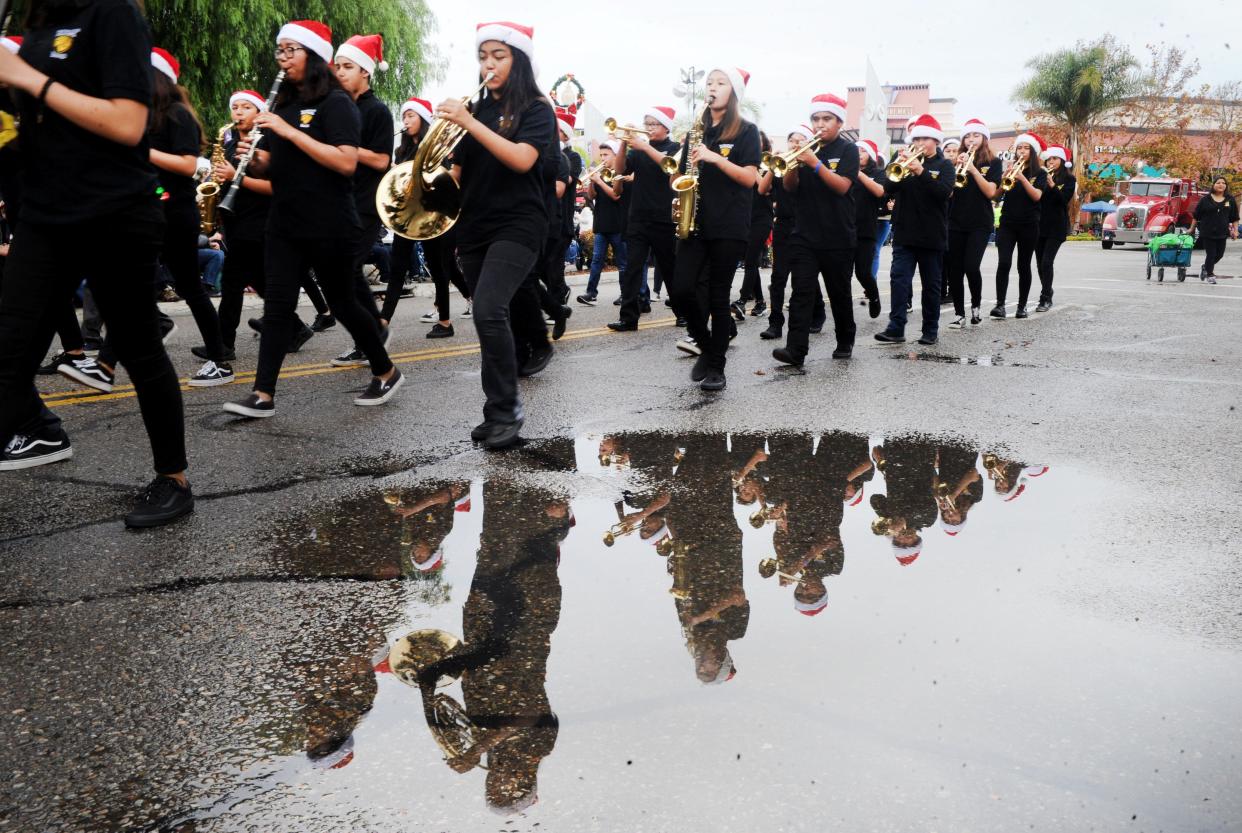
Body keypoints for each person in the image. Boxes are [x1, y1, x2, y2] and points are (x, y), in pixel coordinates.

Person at [0, 0, 194, 526]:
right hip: (46, 213)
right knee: (9, 345)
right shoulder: (37, 21)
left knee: (137, 347)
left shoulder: (111, 13)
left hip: (114, 210)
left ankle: (172, 479)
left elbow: (128, 124)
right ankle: (41, 429)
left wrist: (25, 77)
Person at [223, 19, 402, 419]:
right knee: (278, 306)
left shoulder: (336, 104)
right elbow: (277, 166)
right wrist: (254, 159)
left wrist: (287, 133)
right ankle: (263, 394)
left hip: (330, 222)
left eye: (291, 50)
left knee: (344, 304)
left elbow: (343, 161)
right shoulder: (282, 105)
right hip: (285, 221)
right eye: (280, 51)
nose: (282, 59)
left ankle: (385, 369)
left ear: (314, 56)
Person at [435, 21, 555, 449]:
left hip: (519, 223)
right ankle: (495, 411)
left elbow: (523, 159)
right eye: (483, 56)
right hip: (475, 225)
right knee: (488, 322)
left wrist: (467, 120)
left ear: (518, 60)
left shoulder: (537, 109)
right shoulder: (478, 110)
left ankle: (508, 410)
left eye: (498, 56)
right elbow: (456, 172)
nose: (489, 64)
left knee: (488, 309)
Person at [667, 66, 761, 391]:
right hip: (695, 222)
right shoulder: (696, 131)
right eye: (709, 83)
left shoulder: (746, 132)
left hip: (729, 224)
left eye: (720, 83)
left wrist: (715, 158)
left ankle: (717, 368)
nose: (712, 87)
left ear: (733, 92)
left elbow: (751, 178)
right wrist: (680, 177)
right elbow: (677, 176)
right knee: (680, 291)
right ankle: (707, 349)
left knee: (719, 298)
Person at [145, 48, 232, 386]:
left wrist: (143, 150)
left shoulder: (177, 114)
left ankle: (220, 360)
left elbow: (186, 164)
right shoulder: (147, 115)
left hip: (175, 212)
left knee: (191, 289)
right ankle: (153, 328)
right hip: (153, 208)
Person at [772, 93, 860, 367]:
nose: (820, 124)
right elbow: (789, 187)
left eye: (827, 118)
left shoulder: (848, 150)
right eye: (816, 119)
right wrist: (791, 165)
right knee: (801, 293)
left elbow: (842, 186)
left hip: (837, 235)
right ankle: (795, 350)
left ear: (839, 122)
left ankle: (845, 339)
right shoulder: (808, 149)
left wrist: (814, 163)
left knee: (839, 293)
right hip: (804, 234)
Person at [331, 34, 394, 367]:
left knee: (345, 271)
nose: (339, 72)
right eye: (337, 66)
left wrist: (346, 151)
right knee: (347, 272)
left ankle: (371, 335)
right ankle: (375, 329)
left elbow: (383, 160)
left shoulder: (377, 111)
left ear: (365, 71)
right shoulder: (338, 105)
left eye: (348, 66)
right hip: (339, 201)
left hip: (368, 204)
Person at [386, 97, 472, 338]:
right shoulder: (400, 150)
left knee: (439, 267)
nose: (406, 120)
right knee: (397, 267)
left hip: (433, 214)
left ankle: (445, 322)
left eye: (411, 116)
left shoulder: (437, 147)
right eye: (404, 116)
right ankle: (383, 322)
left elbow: (445, 179)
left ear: (423, 119)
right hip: (410, 215)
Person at [874, 114, 955, 346]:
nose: (920, 143)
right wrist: (898, 166)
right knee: (899, 280)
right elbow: (887, 187)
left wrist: (921, 171)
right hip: (904, 232)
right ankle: (895, 327)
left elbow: (943, 193)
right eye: (917, 137)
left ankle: (930, 329)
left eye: (925, 138)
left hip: (932, 234)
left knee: (931, 285)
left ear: (936, 141)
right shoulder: (903, 162)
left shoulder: (945, 166)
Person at [604, 106, 680, 329]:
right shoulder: (637, 149)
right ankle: (628, 317)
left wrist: (644, 146)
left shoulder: (674, 148)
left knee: (669, 269)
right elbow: (620, 170)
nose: (648, 129)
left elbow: (669, 168)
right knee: (633, 269)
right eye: (646, 124)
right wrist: (625, 144)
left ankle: (682, 313)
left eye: (653, 124)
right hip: (638, 217)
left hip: (663, 218)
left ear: (666, 127)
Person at [760, 125, 822, 341]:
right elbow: (761, 189)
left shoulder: (811, 167)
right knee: (778, 277)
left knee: (804, 276)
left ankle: (818, 311)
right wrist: (773, 165)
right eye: (792, 140)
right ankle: (775, 323)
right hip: (784, 225)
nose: (795, 144)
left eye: (800, 139)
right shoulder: (783, 165)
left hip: (805, 226)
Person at [945, 118, 1001, 328]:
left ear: (984, 138)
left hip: (980, 222)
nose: (971, 140)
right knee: (955, 270)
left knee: (971, 266)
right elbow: (947, 193)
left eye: (975, 135)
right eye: (967, 136)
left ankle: (975, 307)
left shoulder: (993, 163)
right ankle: (959, 314)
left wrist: (973, 170)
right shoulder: (954, 162)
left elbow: (991, 193)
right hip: (956, 221)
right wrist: (954, 167)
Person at [991, 132, 1046, 319]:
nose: (1022, 151)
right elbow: (996, 196)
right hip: (1007, 222)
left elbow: (1037, 196)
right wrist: (1005, 179)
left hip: (1029, 224)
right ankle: (1000, 305)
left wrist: (1022, 178)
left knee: (1023, 265)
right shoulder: (1011, 170)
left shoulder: (1041, 173)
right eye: (1019, 148)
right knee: (1004, 263)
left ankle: (1021, 306)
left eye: (1026, 148)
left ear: (1033, 151)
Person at [733, 130, 773, 320]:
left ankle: (741, 301)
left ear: (764, 144)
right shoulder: (741, 160)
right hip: (744, 216)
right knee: (749, 261)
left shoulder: (768, 163)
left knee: (751, 260)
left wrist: (753, 167)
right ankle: (760, 302)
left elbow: (765, 189)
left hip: (762, 217)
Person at [585, 139, 629, 310]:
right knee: (596, 260)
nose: (603, 158)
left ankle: (625, 294)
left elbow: (616, 195)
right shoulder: (600, 173)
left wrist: (600, 181)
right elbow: (591, 196)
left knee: (622, 262)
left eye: (606, 155)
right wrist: (592, 181)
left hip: (617, 224)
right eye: (601, 154)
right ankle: (591, 293)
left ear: (615, 155)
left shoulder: (619, 173)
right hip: (601, 223)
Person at [1035, 144, 1077, 311]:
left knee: (1047, 262)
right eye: (1049, 159)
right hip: (1039, 224)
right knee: (1039, 264)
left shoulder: (1069, 179)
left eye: (1054, 158)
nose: (1051, 161)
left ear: (1062, 160)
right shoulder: (1040, 176)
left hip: (1057, 226)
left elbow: (1063, 201)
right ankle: (1048, 290)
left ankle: (1045, 298)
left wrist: (1052, 186)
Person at [851, 138, 884, 319]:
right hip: (844, 229)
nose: (858, 154)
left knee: (863, 273)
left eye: (862, 151)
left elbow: (880, 192)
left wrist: (859, 174)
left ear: (870, 155)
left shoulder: (878, 173)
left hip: (865, 230)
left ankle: (874, 296)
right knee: (842, 273)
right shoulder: (846, 172)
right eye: (855, 151)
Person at [1189, 176, 1238, 284]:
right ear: (1213, 185)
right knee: (1211, 254)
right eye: (1218, 183)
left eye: (1223, 183)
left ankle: (1205, 267)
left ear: (1226, 186)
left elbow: (1235, 217)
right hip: (1207, 231)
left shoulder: (1230, 199)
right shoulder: (1205, 199)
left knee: (1219, 255)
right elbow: (1196, 216)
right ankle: (1210, 275)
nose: (1221, 185)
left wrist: (1235, 231)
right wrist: (1191, 229)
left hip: (1222, 232)